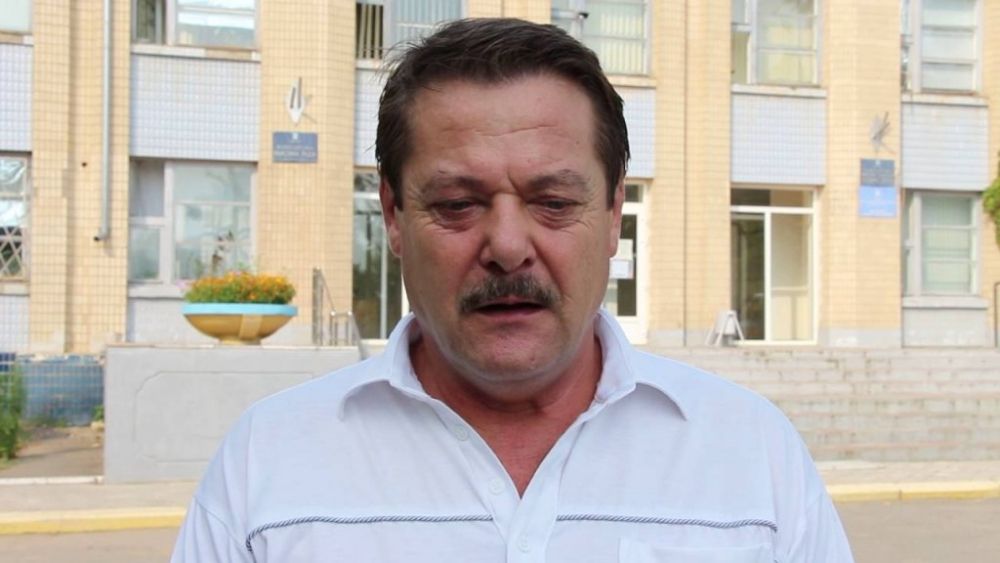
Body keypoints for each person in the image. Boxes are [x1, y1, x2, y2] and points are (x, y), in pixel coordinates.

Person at [172, 18, 853, 562]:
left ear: (614, 213)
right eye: (457, 204)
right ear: (393, 216)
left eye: (553, 202)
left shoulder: (750, 452)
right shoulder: (268, 461)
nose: (506, 246)